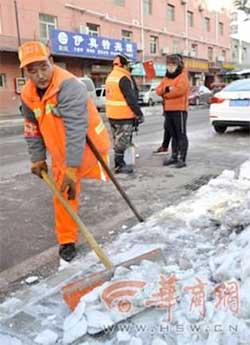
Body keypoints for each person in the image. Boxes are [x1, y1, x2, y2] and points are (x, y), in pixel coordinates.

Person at [19, 41, 110, 262]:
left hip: (88, 147)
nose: (40, 75)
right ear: (26, 73)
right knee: (64, 196)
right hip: (60, 153)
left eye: (43, 67)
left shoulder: (68, 86)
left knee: (74, 182)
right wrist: (38, 159)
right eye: (32, 71)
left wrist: (72, 168)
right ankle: (67, 240)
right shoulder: (28, 94)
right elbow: (32, 129)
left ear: (51, 62)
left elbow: (76, 130)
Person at [105, 54, 144, 174]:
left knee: (117, 140)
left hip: (112, 115)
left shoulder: (111, 76)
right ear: (124, 65)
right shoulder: (123, 78)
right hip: (123, 115)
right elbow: (131, 98)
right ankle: (119, 165)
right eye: (128, 65)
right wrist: (139, 113)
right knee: (122, 142)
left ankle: (121, 163)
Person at [156, 54, 189, 168]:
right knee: (174, 135)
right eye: (168, 65)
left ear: (178, 65)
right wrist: (167, 89)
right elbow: (158, 90)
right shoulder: (166, 77)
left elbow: (179, 91)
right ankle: (174, 156)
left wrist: (166, 95)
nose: (170, 67)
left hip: (179, 110)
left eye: (173, 65)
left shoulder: (182, 76)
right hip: (168, 110)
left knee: (181, 135)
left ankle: (182, 158)